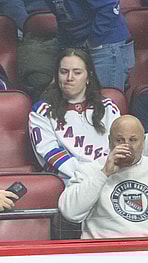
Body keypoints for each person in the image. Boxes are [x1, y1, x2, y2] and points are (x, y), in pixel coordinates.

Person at [29, 48, 121, 183]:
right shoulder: (42, 111)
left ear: (88, 77)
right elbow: (49, 152)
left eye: (77, 72)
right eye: (64, 72)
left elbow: (119, 144)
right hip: (71, 181)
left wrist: (105, 172)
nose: (69, 78)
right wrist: (93, 175)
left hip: (109, 175)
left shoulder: (108, 108)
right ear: (57, 76)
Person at [59, 115, 148, 238]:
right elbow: (70, 213)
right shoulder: (90, 169)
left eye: (133, 140)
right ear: (110, 141)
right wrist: (104, 173)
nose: (126, 146)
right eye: (120, 140)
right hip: (103, 250)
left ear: (143, 141)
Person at [43, 0, 134, 92]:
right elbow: (62, 16)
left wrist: (93, 41)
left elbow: (109, 7)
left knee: (104, 98)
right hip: (76, 44)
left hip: (105, 43)